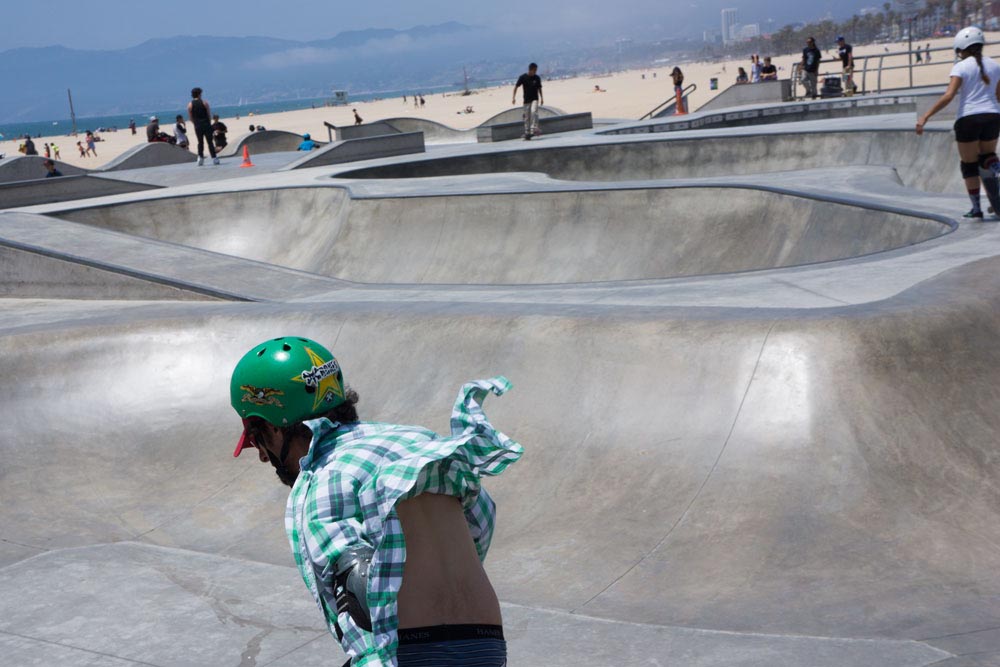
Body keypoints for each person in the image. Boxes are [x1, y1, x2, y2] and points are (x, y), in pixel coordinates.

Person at [229, 337, 521, 667]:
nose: (262, 457)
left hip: (409, 652)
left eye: (256, 439)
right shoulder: (418, 439)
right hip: (487, 643)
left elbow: (359, 592)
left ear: (275, 427)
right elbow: (481, 521)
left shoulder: (324, 476)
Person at [917, 26, 1000, 220]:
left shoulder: (960, 67)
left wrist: (925, 116)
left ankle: (976, 208)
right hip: (993, 116)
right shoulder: (995, 65)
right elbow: (998, 96)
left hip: (968, 119)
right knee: (987, 156)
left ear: (962, 48)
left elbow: (949, 96)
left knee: (969, 165)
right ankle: (997, 168)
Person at [187, 87, 220, 165]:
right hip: (206, 124)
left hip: (197, 126)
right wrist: (208, 123)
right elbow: (209, 115)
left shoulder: (190, 104)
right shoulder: (204, 103)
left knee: (200, 142)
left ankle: (200, 158)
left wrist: (195, 123)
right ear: (199, 94)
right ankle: (214, 158)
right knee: (210, 142)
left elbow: (190, 118)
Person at [513, 62, 543, 140]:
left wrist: (542, 98)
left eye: (536, 70)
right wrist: (513, 97)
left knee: (534, 111)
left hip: (535, 99)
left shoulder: (537, 78)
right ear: (531, 70)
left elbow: (539, 88)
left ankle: (534, 128)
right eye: (535, 70)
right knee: (527, 117)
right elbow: (516, 87)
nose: (536, 72)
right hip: (526, 100)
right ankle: (527, 132)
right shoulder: (522, 77)